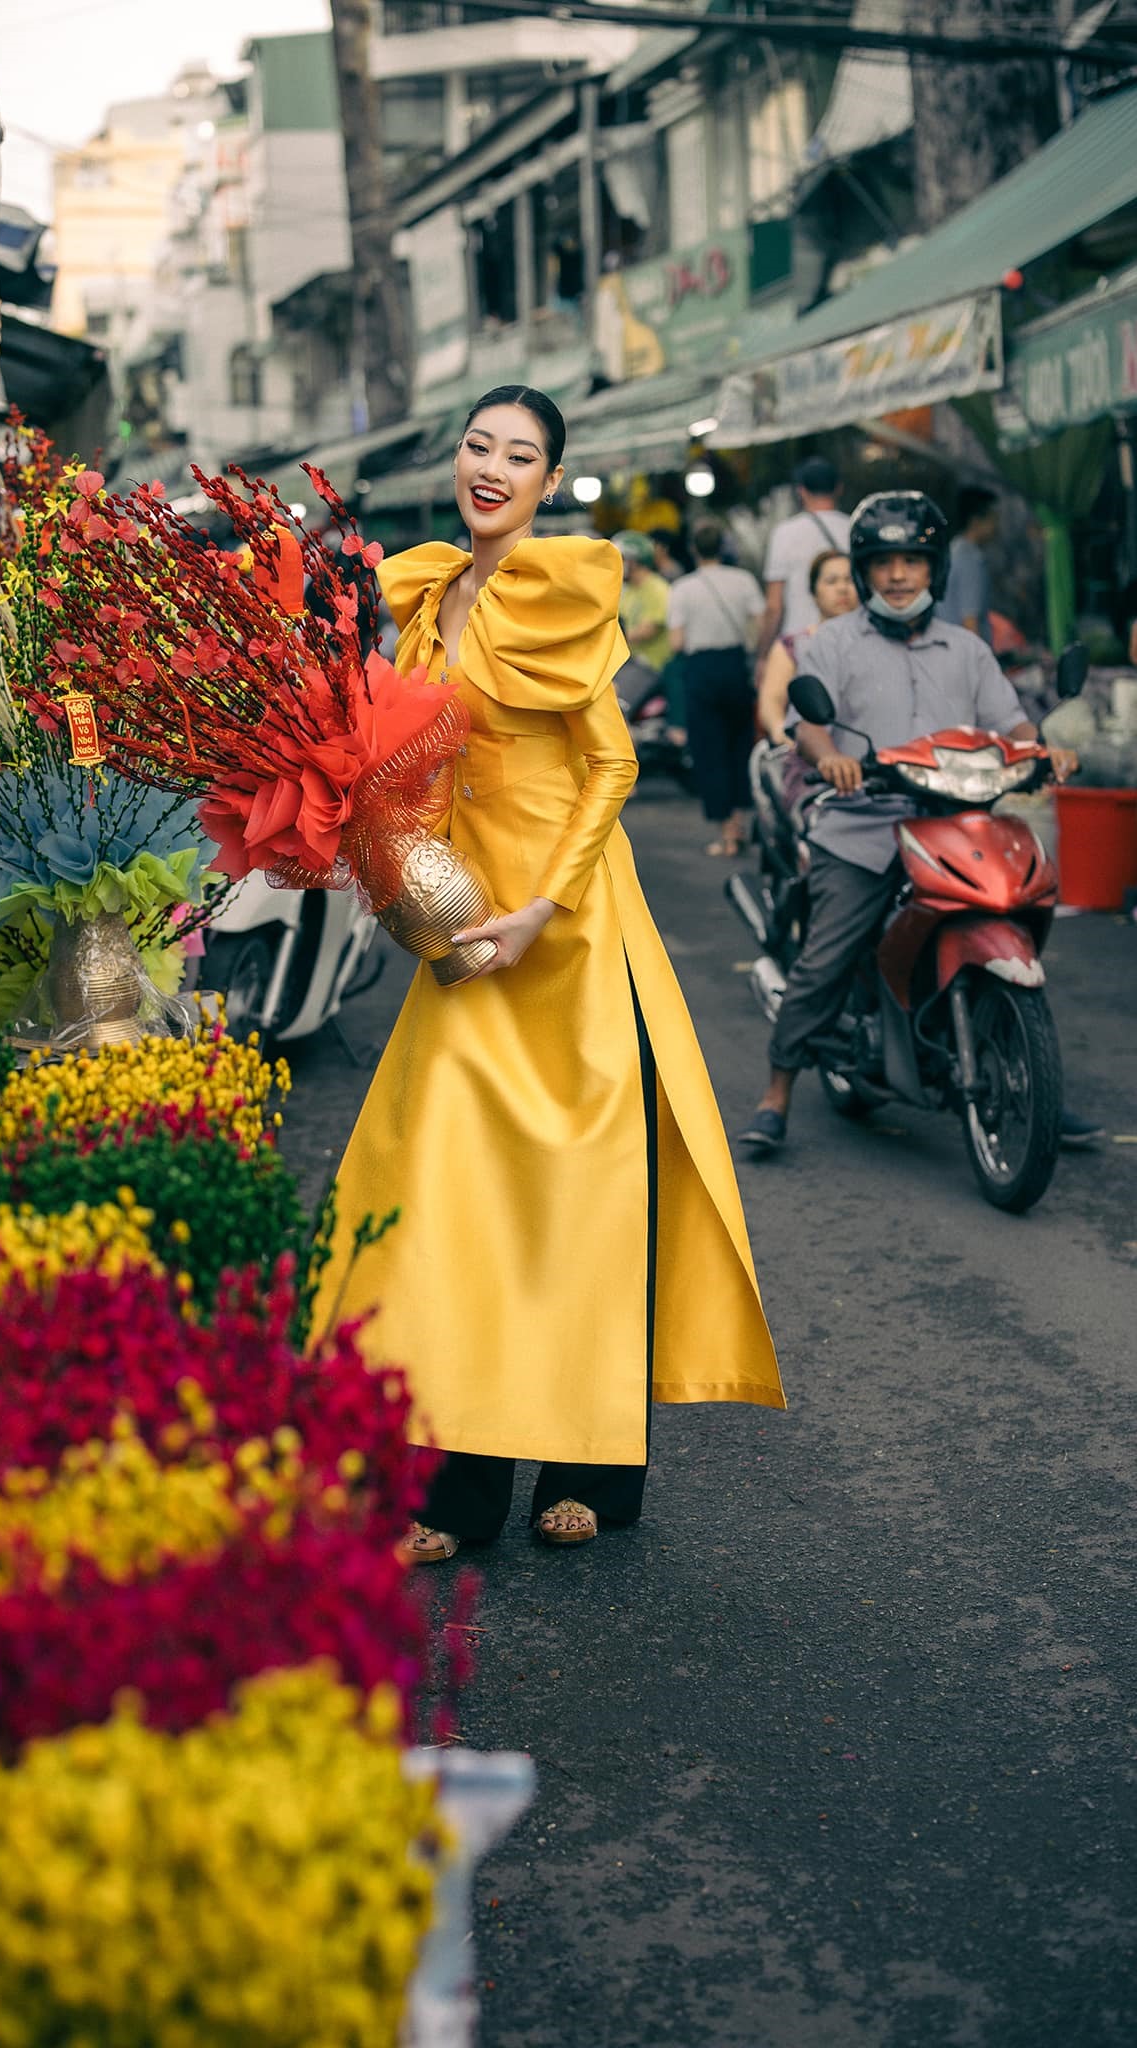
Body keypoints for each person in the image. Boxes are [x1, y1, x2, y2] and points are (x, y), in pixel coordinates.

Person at [310, 384, 784, 1562]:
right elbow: (404, 762)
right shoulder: (422, 595)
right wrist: (386, 857)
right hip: (464, 929)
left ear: (546, 479)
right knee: (448, 1203)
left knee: (581, 1207)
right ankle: (453, 1490)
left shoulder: (557, 589)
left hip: (563, 930)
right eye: (478, 443)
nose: (492, 467)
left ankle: (596, 1472)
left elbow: (611, 767)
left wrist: (541, 910)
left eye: (519, 455)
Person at [736, 491, 1087, 1151]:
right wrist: (831, 758)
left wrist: (1042, 748)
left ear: (934, 569)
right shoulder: (833, 643)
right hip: (862, 824)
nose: (898, 576)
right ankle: (776, 1091)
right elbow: (807, 724)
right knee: (827, 954)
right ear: (865, 570)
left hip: (955, 819)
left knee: (1017, 910)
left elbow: (1009, 722)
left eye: (913, 561)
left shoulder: (966, 649)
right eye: (884, 563)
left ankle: (1031, 1078)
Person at [668, 518, 765, 856]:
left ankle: (725, 834)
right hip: (736, 667)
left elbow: (677, 642)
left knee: (710, 750)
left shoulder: (683, 589)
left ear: (694, 549)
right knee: (739, 745)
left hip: (702, 671)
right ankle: (739, 822)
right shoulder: (744, 581)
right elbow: (760, 624)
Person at [756, 455, 852, 672]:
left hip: (799, 645)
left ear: (801, 491)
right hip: (849, 640)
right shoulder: (853, 529)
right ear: (839, 488)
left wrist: (762, 655)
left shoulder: (785, 533)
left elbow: (774, 606)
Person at [757, 548, 859, 744]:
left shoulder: (874, 642)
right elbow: (771, 702)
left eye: (849, 580)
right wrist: (782, 732)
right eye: (831, 581)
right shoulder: (792, 646)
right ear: (814, 591)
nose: (842, 588)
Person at [611, 529, 673, 723]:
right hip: (627, 664)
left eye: (621, 558)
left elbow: (650, 629)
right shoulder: (627, 591)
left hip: (649, 665)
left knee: (616, 707)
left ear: (634, 560)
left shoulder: (657, 588)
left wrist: (614, 636)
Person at [936, 484, 999, 644]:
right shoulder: (969, 559)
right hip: (963, 655)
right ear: (976, 521)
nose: (997, 525)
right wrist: (978, 665)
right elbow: (970, 622)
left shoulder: (953, 551)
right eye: (993, 518)